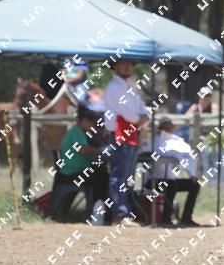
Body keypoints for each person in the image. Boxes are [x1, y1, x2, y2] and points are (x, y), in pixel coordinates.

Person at [104, 60, 149, 224]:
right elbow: (128, 113)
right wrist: (141, 118)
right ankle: (120, 214)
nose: (127, 67)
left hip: (130, 133)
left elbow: (141, 107)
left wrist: (142, 117)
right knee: (120, 176)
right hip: (120, 134)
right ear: (115, 67)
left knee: (125, 176)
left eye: (129, 64)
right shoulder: (114, 88)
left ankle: (118, 212)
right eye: (123, 64)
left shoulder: (129, 87)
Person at [51, 107, 108, 220]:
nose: (93, 126)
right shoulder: (76, 132)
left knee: (102, 176)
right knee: (103, 180)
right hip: (72, 173)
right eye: (92, 123)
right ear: (85, 121)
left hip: (73, 172)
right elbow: (83, 150)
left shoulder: (78, 132)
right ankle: (96, 214)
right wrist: (101, 152)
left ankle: (95, 213)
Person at [151, 119, 201, 227]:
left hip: (170, 179)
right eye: (166, 127)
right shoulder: (155, 140)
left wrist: (191, 174)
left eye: (170, 127)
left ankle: (186, 218)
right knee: (171, 185)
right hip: (154, 180)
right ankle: (166, 219)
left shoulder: (173, 141)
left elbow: (184, 156)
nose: (168, 130)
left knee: (194, 184)